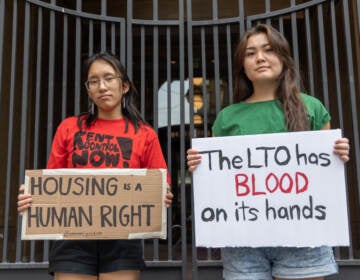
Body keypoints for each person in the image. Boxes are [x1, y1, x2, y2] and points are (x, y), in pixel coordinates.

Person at [187, 24, 350, 280]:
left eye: (268, 50)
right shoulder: (226, 118)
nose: (260, 58)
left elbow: (324, 168)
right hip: (243, 243)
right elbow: (218, 178)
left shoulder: (311, 107)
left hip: (304, 236)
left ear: (283, 58)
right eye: (250, 53)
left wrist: (337, 152)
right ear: (243, 65)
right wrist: (199, 162)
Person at [17, 52, 173, 280]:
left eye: (109, 78)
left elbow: (161, 184)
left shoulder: (145, 134)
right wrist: (32, 196)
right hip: (73, 236)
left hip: (123, 237)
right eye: (94, 81)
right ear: (88, 90)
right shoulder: (69, 128)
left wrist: (164, 194)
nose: (102, 86)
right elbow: (50, 181)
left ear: (125, 86)